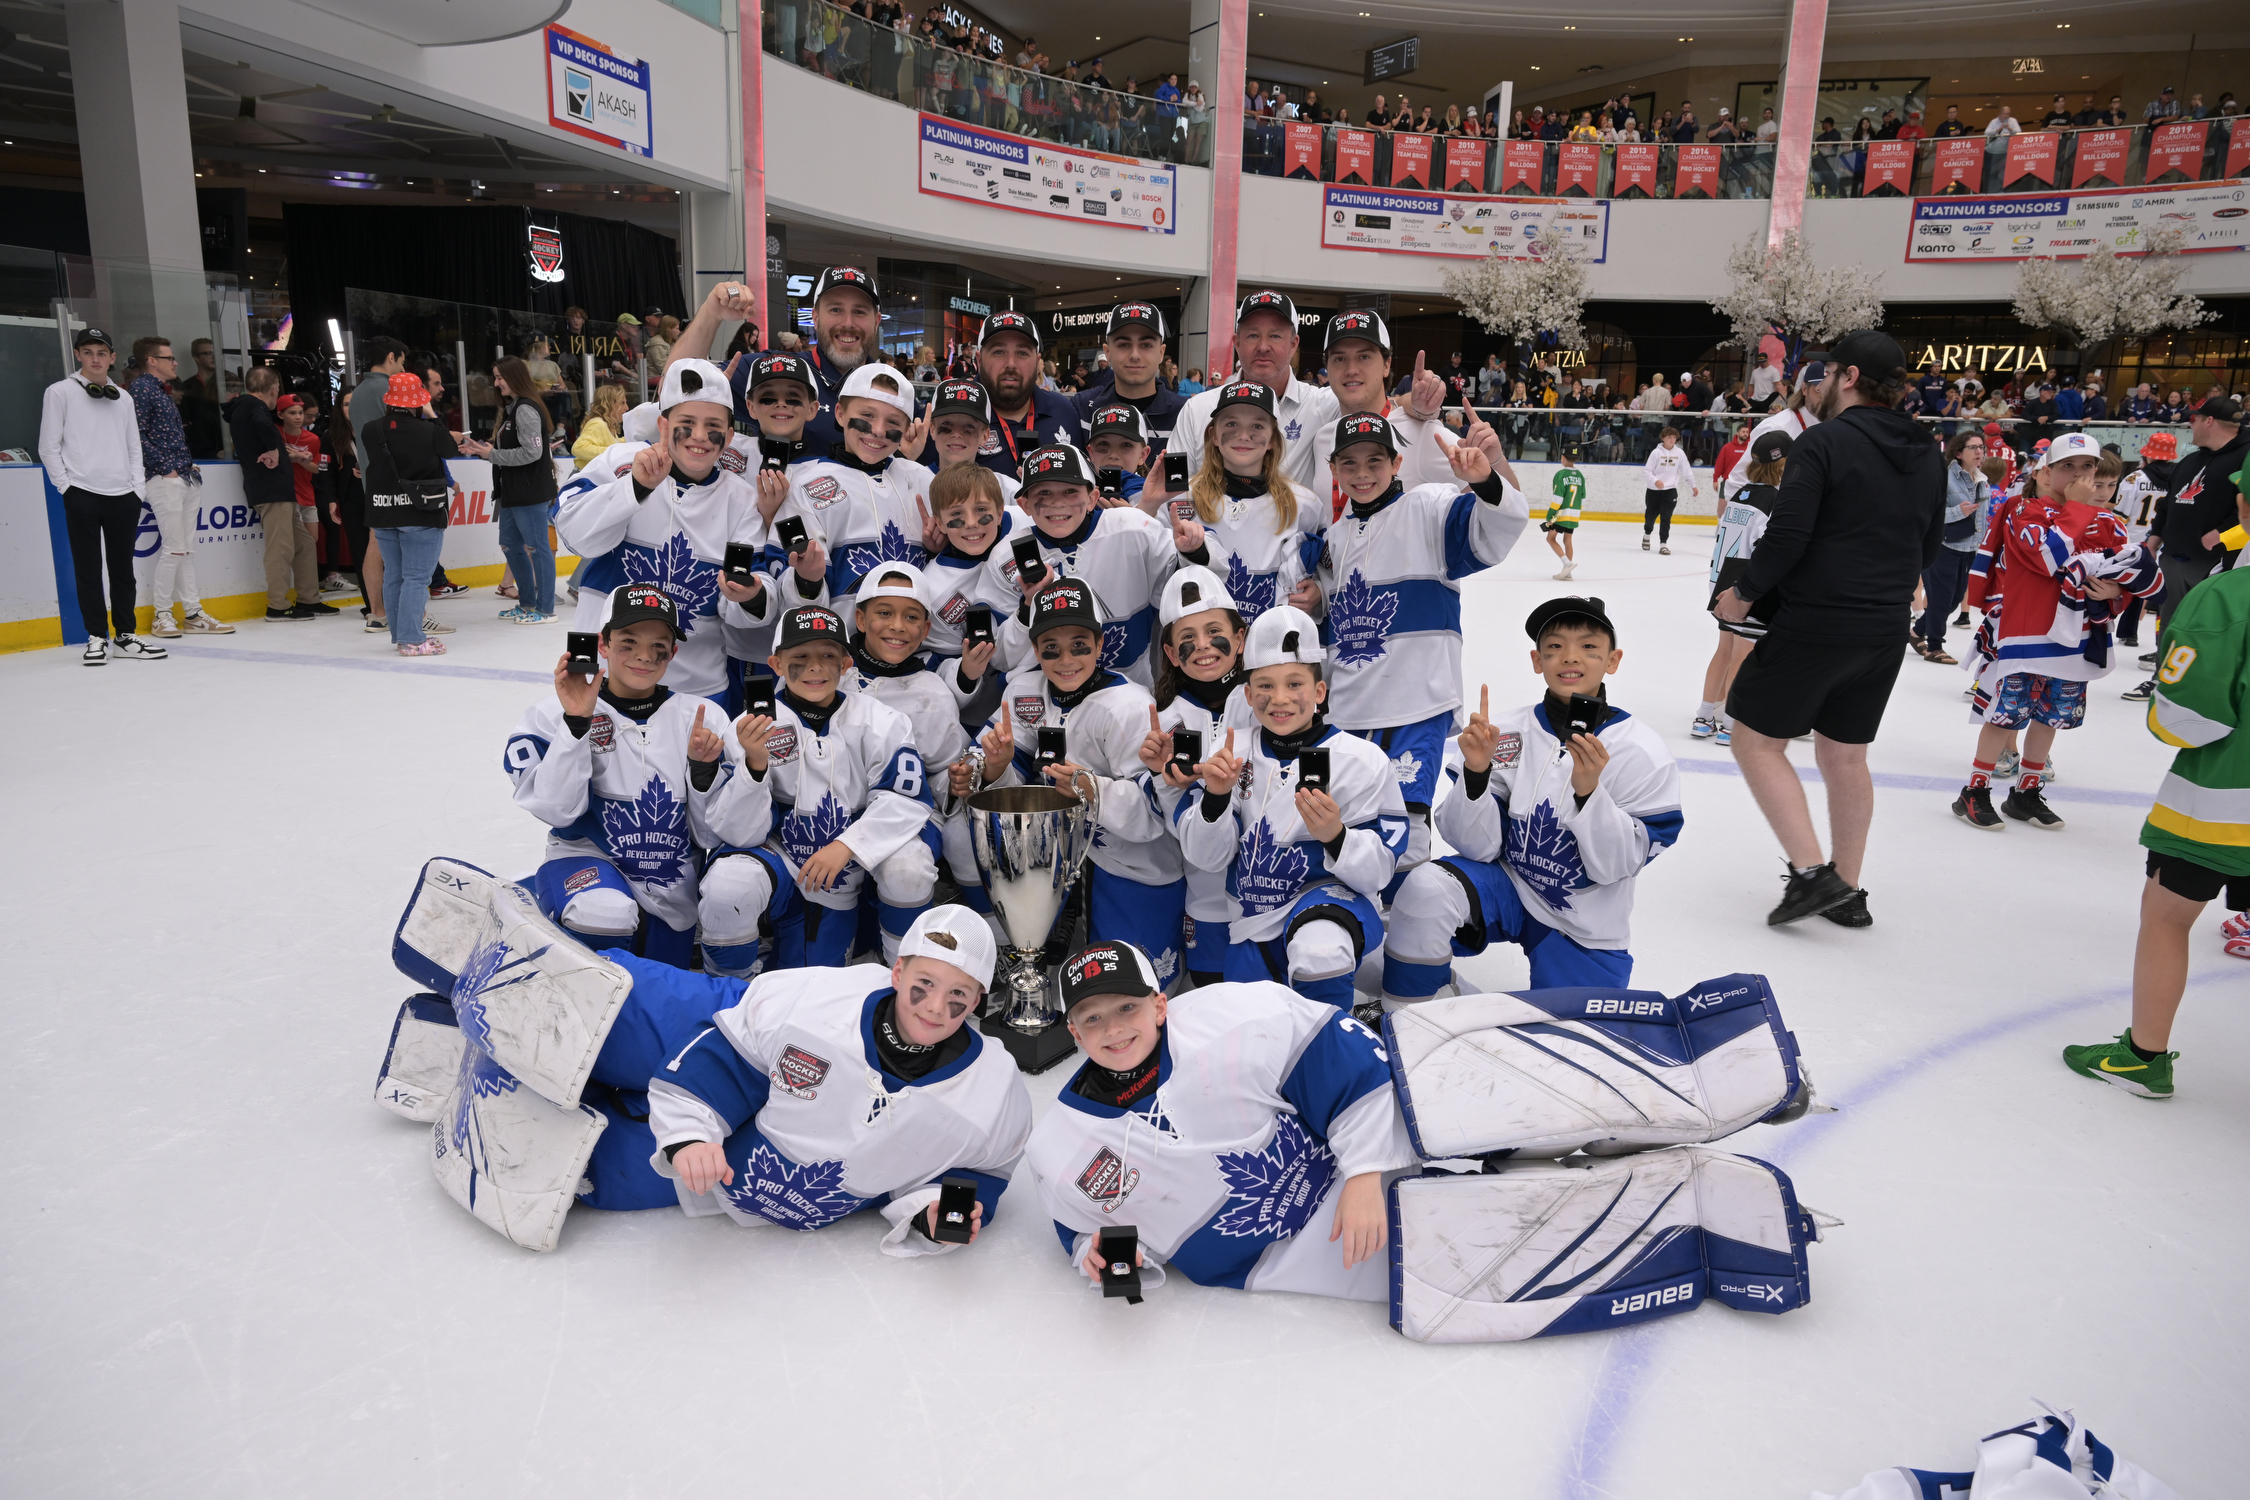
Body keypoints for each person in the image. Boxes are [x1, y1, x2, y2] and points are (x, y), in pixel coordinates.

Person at [1022, 940, 1413, 1302]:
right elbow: (1077, 1224)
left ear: (1160, 1006)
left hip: (1365, 1184)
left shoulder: (1233, 1018)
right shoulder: (1060, 1147)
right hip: (1306, 1267)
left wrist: (1364, 1173)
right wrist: (1095, 1250)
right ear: (1073, 1031)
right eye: (1092, 1018)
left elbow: (1343, 1057)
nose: (1113, 1028)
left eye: (1127, 1007)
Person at [1713, 330, 1944, 927]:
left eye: (1826, 371)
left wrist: (1743, 593)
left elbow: (1789, 535)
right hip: (1885, 627)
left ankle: (1814, 875)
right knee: (1845, 757)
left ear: (1846, 378)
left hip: (1818, 620)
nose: (1814, 385)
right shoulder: (1926, 448)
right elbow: (1930, 542)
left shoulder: (1825, 443)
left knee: (1755, 740)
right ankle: (1847, 886)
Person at [1383, 595, 1682, 1006]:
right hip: (1508, 886)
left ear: (1613, 660)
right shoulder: (1507, 733)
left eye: (1589, 647)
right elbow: (1475, 847)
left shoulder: (1641, 751)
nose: (1570, 657)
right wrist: (1475, 773)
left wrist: (1589, 791)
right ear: (1537, 660)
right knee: (1425, 888)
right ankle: (1405, 1015)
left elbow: (1615, 866)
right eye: (1554, 646)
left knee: (1572, 1042)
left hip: (1584, 922)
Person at [2061, 478, 2250, 1098]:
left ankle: (2145, 1056)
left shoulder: (2227, 597)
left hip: (2223, 804)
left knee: (2167, 917)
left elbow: (2185, 716)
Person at [1308, 410, 1528, 886]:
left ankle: (1408, 945)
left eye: (1375, 460)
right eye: (1349, 463)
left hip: (1416, 702)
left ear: (1397, 461)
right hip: (1349, 708)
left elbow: (1501, 528)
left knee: (1406, 830)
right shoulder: (1336, 537)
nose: (1362, 473)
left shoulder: (1430, 506)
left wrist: (1485, 481)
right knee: (1349, 821)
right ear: (1334, 470)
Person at [503, 583, 753, 967]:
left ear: (674, 652)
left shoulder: (703, 718)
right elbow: (558, 811)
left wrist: (703, 772)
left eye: (659, 646)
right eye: (628, 642)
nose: (644, 656)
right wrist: (576, 724)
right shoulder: (548, 715)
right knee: (603, 914)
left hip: (672, 880)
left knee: (657, 978)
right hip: (588, 860)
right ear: (602, 645)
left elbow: (709, 835)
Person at [1175, 604, 1407, 1011]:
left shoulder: (1363, 759)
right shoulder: (1232, 752)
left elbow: (1379, 872)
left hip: (1332, 907)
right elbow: (1207, 859)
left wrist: (1337, 836)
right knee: (1253, 1027)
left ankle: (1337, 1051)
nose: (1278, 699)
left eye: (1294, 683)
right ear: (1248, 695)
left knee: (1319, 952)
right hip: (1251, 920)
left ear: (1319, 692)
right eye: (1264, 685)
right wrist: (1215, 797)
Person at [961, 577, 1188, 980]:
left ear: (1101, 645)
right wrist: (993, 766)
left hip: (1129, 868)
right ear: (1035, 650)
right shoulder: (1024, 692)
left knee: (1133, 986)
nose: (1065, 660)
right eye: (1051, 649)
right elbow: (997, 766)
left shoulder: (1129, 706)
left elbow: (1155, 813)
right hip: (1052, 857)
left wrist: (1089, 788)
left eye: (1079, 646)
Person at [701, 603, 937, 968]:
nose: (815, 666)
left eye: (828, 655)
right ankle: (729, 990)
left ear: (846, 665)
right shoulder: (746, 729)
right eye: (801, 655)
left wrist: (846, 846)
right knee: (728, 885)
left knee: (909, 866)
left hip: (852, 863)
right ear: (776, 665)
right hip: (780, 858)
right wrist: (755, 765)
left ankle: (902, 975)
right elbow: (737, 833)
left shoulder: (883, 721)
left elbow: (905, 802)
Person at [1952, 434, 2166, 832]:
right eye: (2069, 466)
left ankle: (2026, 791)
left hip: (2076, 639)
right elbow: (2047, 556)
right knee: (2006, 715)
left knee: (2052, 716)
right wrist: (2080, 509)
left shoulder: (2106, 522)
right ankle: (1975, 791)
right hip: (2025, 634)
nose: (2081, 475)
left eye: (2087, 467)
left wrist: (2117, 591)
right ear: (2046, 472)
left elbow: (2134, 572)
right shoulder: (2024, 511)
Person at [556, 359, 771, 703]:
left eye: (713, 425)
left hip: (698, 687)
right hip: (600, 675)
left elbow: (742, 600)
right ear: (663, 425)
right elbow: (574, 534)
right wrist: (635, 488)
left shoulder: (741, 501)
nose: (700, 436)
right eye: (687, 423)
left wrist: (750, 596)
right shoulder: (621, 461)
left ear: (730, 436)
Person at [990, 443, 1208, 688]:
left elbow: (1195, 589)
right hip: (1047, 699)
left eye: (1070, 491)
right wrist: (1027, 608)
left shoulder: (1132, 528)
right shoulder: (1006, 556)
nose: (1057, 503)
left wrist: (1193, 549)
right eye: (1044, 493)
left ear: (1093, 497)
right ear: (1025, 505)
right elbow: (999, 659)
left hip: (1131, 693)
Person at [39, 326, 164, 664]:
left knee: (123, 569)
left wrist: (136, 488)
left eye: (102, 353)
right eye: (88, 352)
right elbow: (48, 448)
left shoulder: (122, 397)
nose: (95, 359)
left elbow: (133, 446)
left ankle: (125, 637)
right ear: (78, 355)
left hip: (123, 494)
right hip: (82, 494)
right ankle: (96, 636)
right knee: (88, 569)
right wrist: (67, 487)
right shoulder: (59, 392)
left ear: (111, 358)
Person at [127, 336, 231, 639]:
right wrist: (166, 467)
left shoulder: (160, 391)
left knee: (185, 551)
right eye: (169, 358)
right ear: (152, 361)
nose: (175, 363)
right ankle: (162, 614)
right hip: (164, 479)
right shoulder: (142, 390)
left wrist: (185, 464)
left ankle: (193, 613)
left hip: (183, 475)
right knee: (174, 550)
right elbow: (136, 435)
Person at [1695, 430, 1793, 745]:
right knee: (1743, 656)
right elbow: (1767, 548)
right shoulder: (1775, 500)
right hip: (1747, 591)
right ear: (1782, 464)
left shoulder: (1740, 495)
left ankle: (1704, 716)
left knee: (1724, 651)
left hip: (1722, 584)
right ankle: (1729, 723)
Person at [360, 369, 461, 657]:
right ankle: (412, 639)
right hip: (421, 511)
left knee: (395, 575)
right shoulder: (428, 430)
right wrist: (432, 415)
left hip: (383, 511)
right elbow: (449, 449)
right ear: (419, 400)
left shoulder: (371, 429)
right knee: (417, 578)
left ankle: (400, 634)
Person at [229, 368, 329, 624]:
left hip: (277, 490)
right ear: (274, 389)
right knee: (280, 548)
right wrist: (275, 449)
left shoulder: (244, 407)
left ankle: (309, 598)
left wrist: (288, 455)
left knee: (304, 544)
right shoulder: (256, 407)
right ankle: (277, 605)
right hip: (271, 489)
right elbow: (263, 427)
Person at [1913, 429, 1993, 667]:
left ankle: (1917, 631)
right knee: (1941, 598)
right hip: (1943, 545)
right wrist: (1959, 511)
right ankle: (1935, 646)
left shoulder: (1982, 480)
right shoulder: (1944, 476)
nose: (1979, 452)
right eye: (1973, 448)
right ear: (1959, 452)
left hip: (1968, 548)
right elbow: (1928, 513)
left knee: (1955, 598)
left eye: (1982, 448)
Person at [490, 357, 560, 623]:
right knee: (509, 544)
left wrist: (492, 454)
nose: (496, 384)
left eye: (500, 378)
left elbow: (533, 452)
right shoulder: (513, 408)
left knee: (537, 548)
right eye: (495, 378)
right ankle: (528, 603)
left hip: (530, 493)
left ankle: (545, 609)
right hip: (512, 492)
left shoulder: (526, 410)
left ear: (514, 377)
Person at [1069, 302, 1184, 454]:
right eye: (1124, 345)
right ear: (1107, 352)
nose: (1135, 355)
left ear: (1161, 353)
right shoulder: (1082, 408)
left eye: (1146, 345)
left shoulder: (1185, 414)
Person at [1640, 425, 1697, 553]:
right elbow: (1646, 472)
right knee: (1650, 517)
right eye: (1669, 437)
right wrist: (1655, 481)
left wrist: (1693, 485)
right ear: (1663, 438)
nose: (1672, 439)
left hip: (1670, 491)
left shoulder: (1679, 453)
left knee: (1666, 517)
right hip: (1654, 491)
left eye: (1674, 437)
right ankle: (1647, 535)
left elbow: (1686, 470)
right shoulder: (1656, 453)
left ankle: (1663, 544)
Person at [1544, 445, 1586, 579]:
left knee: (1550, 538)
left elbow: (1558, 498)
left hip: (1561, 514)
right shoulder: (1580, 476)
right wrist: (1577, 513)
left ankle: (1567, 564)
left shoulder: (1561, 475)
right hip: (1574, 514)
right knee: (1568, 540)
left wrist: (1551, 516)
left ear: (1562, 457)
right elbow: (1583, 498)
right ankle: (1567, 573)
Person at [573, 384, 630, 469]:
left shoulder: (608, 427)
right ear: (609, 404)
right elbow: (579, 447)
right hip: (584, 477)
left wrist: (632, 441)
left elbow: (612, 444)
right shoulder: (597, 423)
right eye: (622, 403)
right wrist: (613, 452)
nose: (627, 408)